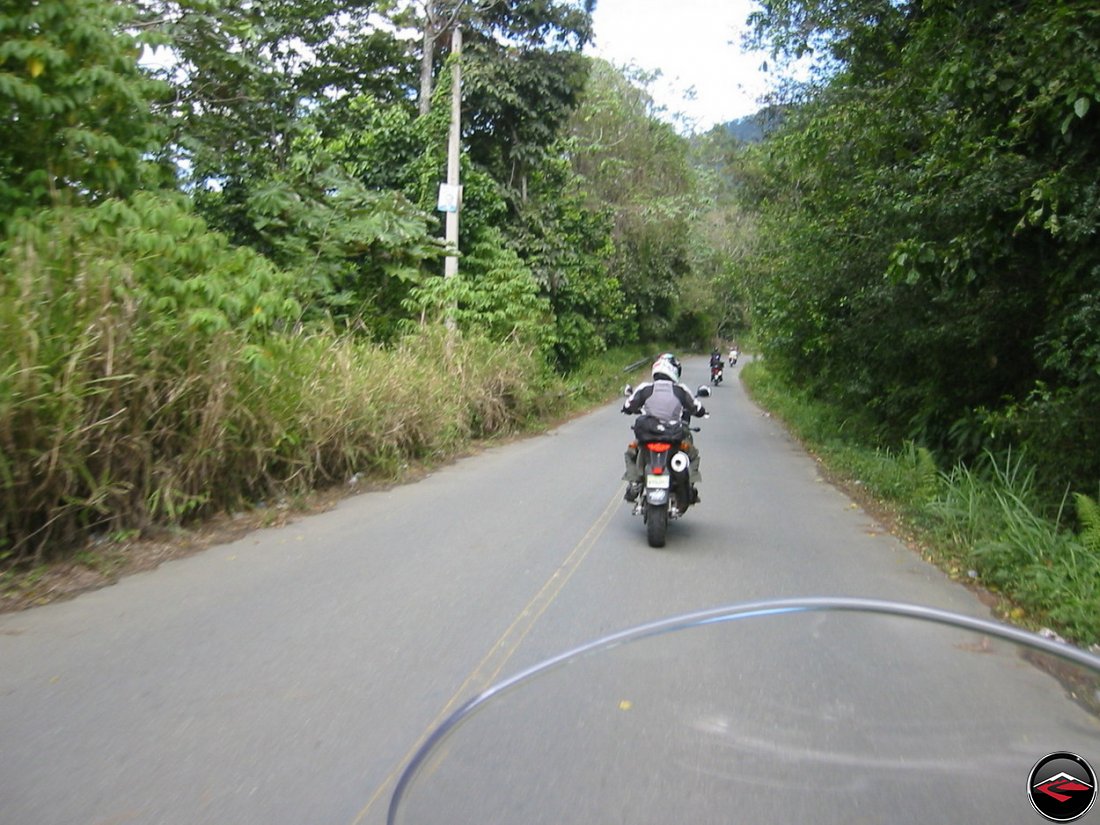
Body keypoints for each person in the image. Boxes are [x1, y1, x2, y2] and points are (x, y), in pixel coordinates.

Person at [621, 353, 707, 503]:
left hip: (649, 435)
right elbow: (697, 408)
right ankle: (690, 485)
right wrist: (701, 412)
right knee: (692, 454)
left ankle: (634, 482)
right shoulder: (681, 390)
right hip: (673, 435)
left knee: (631, 452)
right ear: (674, 371)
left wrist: (630, 409)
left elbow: (628, 406)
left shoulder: (645, 388)